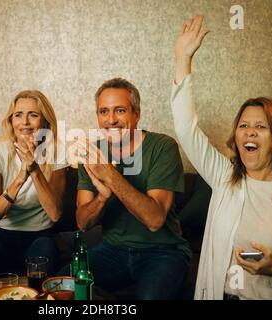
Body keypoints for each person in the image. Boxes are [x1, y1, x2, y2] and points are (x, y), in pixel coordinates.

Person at [171, 14, 272, 300]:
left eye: (261, 127)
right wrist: (182, 58)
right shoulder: (224, 178)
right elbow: (186, 129)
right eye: (244, 126)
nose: (249, 132)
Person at [75, 78, 191, 300]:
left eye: (120, 110)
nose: (111, 120)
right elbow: (82, 223)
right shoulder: (91, 155)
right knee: (63, 289)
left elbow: (155, 219)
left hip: (163, 252)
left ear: (136, 113)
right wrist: (102, 197)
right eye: (103, 112)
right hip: (112, 250)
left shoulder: (162, 147)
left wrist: (110, 175)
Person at [0, 90, 67, 276]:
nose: (25, 122)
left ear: (45, 121)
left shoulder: (58, 152)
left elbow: (55, 213)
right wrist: (20, 177)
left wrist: (34, 169)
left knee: (45, 249)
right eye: (18, 115)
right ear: (11, 121)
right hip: (1, 235)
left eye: (33, 115)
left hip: (40, 236)